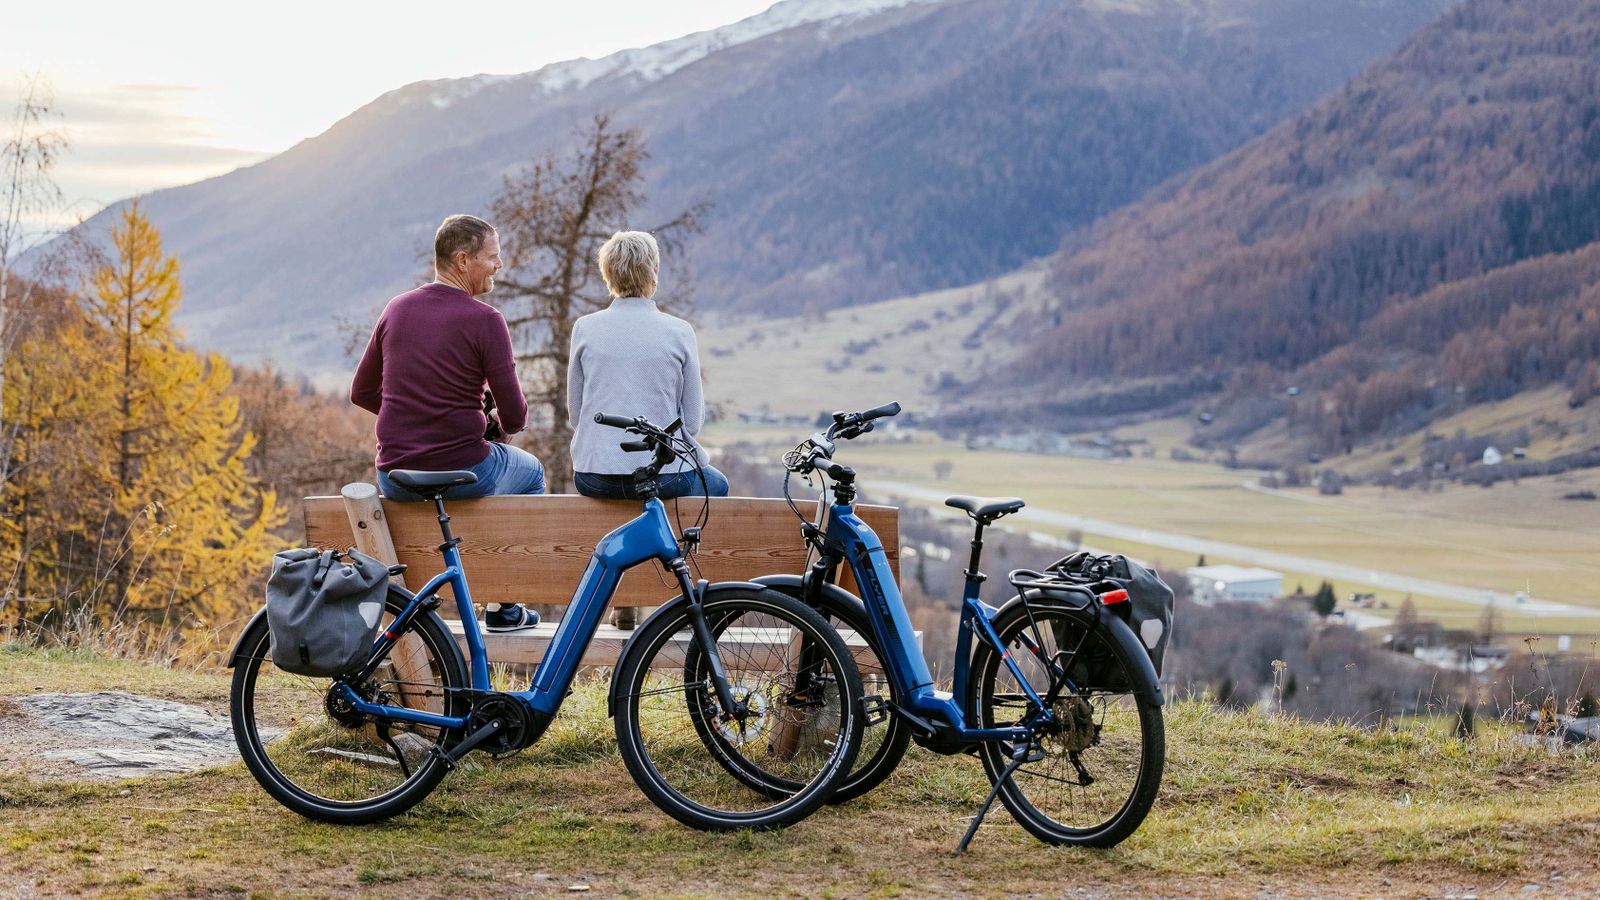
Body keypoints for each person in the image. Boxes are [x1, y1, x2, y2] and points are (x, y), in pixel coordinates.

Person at [350, 214, 544, 633]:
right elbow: (516, 416)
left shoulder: (397, 309)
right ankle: (505, 607)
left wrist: (413, 416)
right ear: (462, 260)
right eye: (492, 257)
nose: (499, 265)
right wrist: (490, 420)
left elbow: (362, 392)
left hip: (395, 475)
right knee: (531, 475)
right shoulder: (485, 320)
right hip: (462, 469)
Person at [568, 230, 729, 500]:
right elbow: (691, 423)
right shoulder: (679, 331)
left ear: (607, 273)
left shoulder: (585, 328)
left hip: (595, 476)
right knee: (718, 485)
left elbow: (576, 416)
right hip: (664, 476)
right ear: (653, 271)